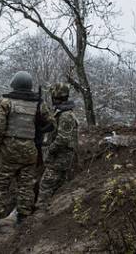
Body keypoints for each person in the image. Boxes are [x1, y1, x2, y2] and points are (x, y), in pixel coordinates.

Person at [0, 71, 54, 231]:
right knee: (26, 185)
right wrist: (37, 132)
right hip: (29, 150)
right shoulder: (38, 103)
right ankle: (23, 220)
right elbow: (51, 124)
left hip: (8, 150)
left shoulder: (6, 102)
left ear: (15, 84)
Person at [34, 83, 79, 211]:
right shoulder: (62, 112)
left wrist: (49, 150)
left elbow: (62, 139)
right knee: (59, 185)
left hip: (60, 157)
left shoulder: (66, 115)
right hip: (61, 156)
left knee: (46, 185)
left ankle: (40, 213)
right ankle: (54, 212)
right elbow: (53, 127)